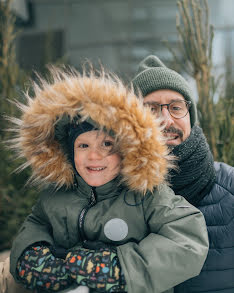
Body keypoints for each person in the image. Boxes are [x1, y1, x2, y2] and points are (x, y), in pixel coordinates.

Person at [4, 66, 209, 293]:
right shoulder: (56, 195)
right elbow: (36, 225)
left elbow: (187, 239)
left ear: (125, 151)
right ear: (69, 152)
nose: (94, 155)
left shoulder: (145, 194)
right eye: (83, 145)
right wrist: (33, 258)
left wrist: (118, 268)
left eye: (106, 144)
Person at [131, 55, 234, 293]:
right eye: (151, 109)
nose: (166, 120)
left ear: (190, 116)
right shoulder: (109, 194)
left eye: (176, 107)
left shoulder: (230, 190)